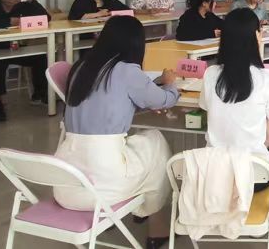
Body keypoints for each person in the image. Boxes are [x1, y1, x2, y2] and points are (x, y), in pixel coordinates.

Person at [54, 16, 179, 249]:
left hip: (66, 182)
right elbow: (164, 99)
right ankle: (156, 226)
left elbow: (112, 97)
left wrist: (153, 85)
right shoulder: (127, 71)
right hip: (105, 186)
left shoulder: (82, 67)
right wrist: (170, 83)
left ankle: (142, 211)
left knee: (143, 146)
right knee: (155, 142)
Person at [198, 8, 269, 192]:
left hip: (214, 171)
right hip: (252, 175)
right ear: (257, 36)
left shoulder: (210, 74)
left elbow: (207, 110)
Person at [0, 0, 50, 120]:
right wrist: (8, 22)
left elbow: (46, 18)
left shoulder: (23, 6)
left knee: (40, 58)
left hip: (15, 48)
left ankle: (39, 94)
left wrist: (31, 0)